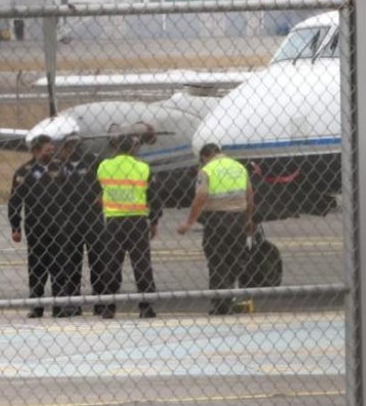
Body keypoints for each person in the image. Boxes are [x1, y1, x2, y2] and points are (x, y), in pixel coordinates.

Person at [177, 143, 255, 315]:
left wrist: (189, 223)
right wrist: (249, 218)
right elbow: (249, 195)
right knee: (234, 260)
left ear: (205, 157)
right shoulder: (239, 167)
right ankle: (228, 295)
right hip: (238, 219)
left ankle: (221, 304)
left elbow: (201, 197)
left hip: (217, 220)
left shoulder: (207, 170)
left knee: (217, 261)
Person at [95, 133, 161, 319]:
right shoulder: (142, 168)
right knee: (142, 264)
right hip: (137, 220)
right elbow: (153, 196)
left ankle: (109, 306)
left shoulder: (104, 166)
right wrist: (154, 221)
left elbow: (98, 189)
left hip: (113, 221)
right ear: (133, 148)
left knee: (111, 264)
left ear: (116, 147)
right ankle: (146, 306)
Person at [8, 135, 76, 318]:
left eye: (53, 150)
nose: (52, 153)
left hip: (59, 226)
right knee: (37, 267)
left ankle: (59, 306)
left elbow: (72, 195)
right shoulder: (23, 173)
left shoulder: (61, 169)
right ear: (36, 151)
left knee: (60, 266)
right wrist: (15, 226)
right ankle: (36, 306)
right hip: (36, 227)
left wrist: (71, 221)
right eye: (48, 151)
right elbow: (15, 201)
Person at [55, 134, 104, 316]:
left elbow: (106, 181)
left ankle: (100, 302)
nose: (68, 150)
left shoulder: (94, 163)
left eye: (72, 146)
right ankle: (73, 303)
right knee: (71, 263)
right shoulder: (59, 166)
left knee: (97, 262)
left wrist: (102, 195)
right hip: (69, 220)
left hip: (92, 218)